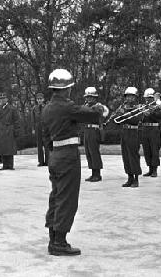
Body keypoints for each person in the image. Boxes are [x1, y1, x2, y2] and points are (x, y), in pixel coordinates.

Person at [42, 69, 104, 256]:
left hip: (55, 155)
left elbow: (45, 136)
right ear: (66, 89)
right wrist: (100, 108)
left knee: (56, 196)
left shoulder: (46, 108)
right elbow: (93, 115)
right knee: (67, 198)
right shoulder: (67, 107)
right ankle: (60, 242)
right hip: (68, 156)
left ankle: (53, 238)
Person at [112, 87, 143, 187]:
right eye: (127, 96)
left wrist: (123, 115)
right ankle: (130, 177)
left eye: (131, 96)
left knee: (133, 155)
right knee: (126, 155)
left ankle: (136, 179)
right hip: (125, 131)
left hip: (133, 131)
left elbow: (135, 120)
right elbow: (116, 121)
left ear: (135, 97)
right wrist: (117, 114)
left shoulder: (138, 107)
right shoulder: (123, 106)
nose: (129, 98)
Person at [83, 87, 109, 182]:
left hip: (94, 129)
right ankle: (93, 173)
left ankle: (97, 174)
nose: (89, 99)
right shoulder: (86, 105)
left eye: (91, 97)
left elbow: (104, 113)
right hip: (87, 129)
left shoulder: (98, 106)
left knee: (94, 152)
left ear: (95, 98)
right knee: (88, 152)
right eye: (87, 97)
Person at [0, 92, 20, 170]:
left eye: (4, 98)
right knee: (3, 148)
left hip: (9, 130)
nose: (2, 100)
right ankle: (5, 165)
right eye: (1, 99)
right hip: (0, 131)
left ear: (7, 99)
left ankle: (10, 165)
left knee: (10, 148)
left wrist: (16, 130)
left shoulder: (12, 109)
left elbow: (16, 120)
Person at [140, 88, 161, 178]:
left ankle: (155, 170)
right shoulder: (143, 106)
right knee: (147, 149)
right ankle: (150, 169)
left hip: (154, 128)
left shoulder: (158, 106)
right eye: (146, 98)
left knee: (154, 149)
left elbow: (159, 117)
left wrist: (151, 112)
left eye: (149, 98)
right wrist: (142, 113)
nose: (147, 100)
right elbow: (140, 119)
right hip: (145, 128)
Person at [32, 93, 49, 167]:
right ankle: (41, 161)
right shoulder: (34, 108)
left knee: (46, 145)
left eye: (41, 99)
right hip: (38, 127)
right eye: (38, 99)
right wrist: (33, 129)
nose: (39, 100)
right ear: (36, 100)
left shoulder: (47, 107)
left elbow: (49, 118)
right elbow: (32, 119)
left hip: (45, 128)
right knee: (39, 145)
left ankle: (48, 161)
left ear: (43, 99)